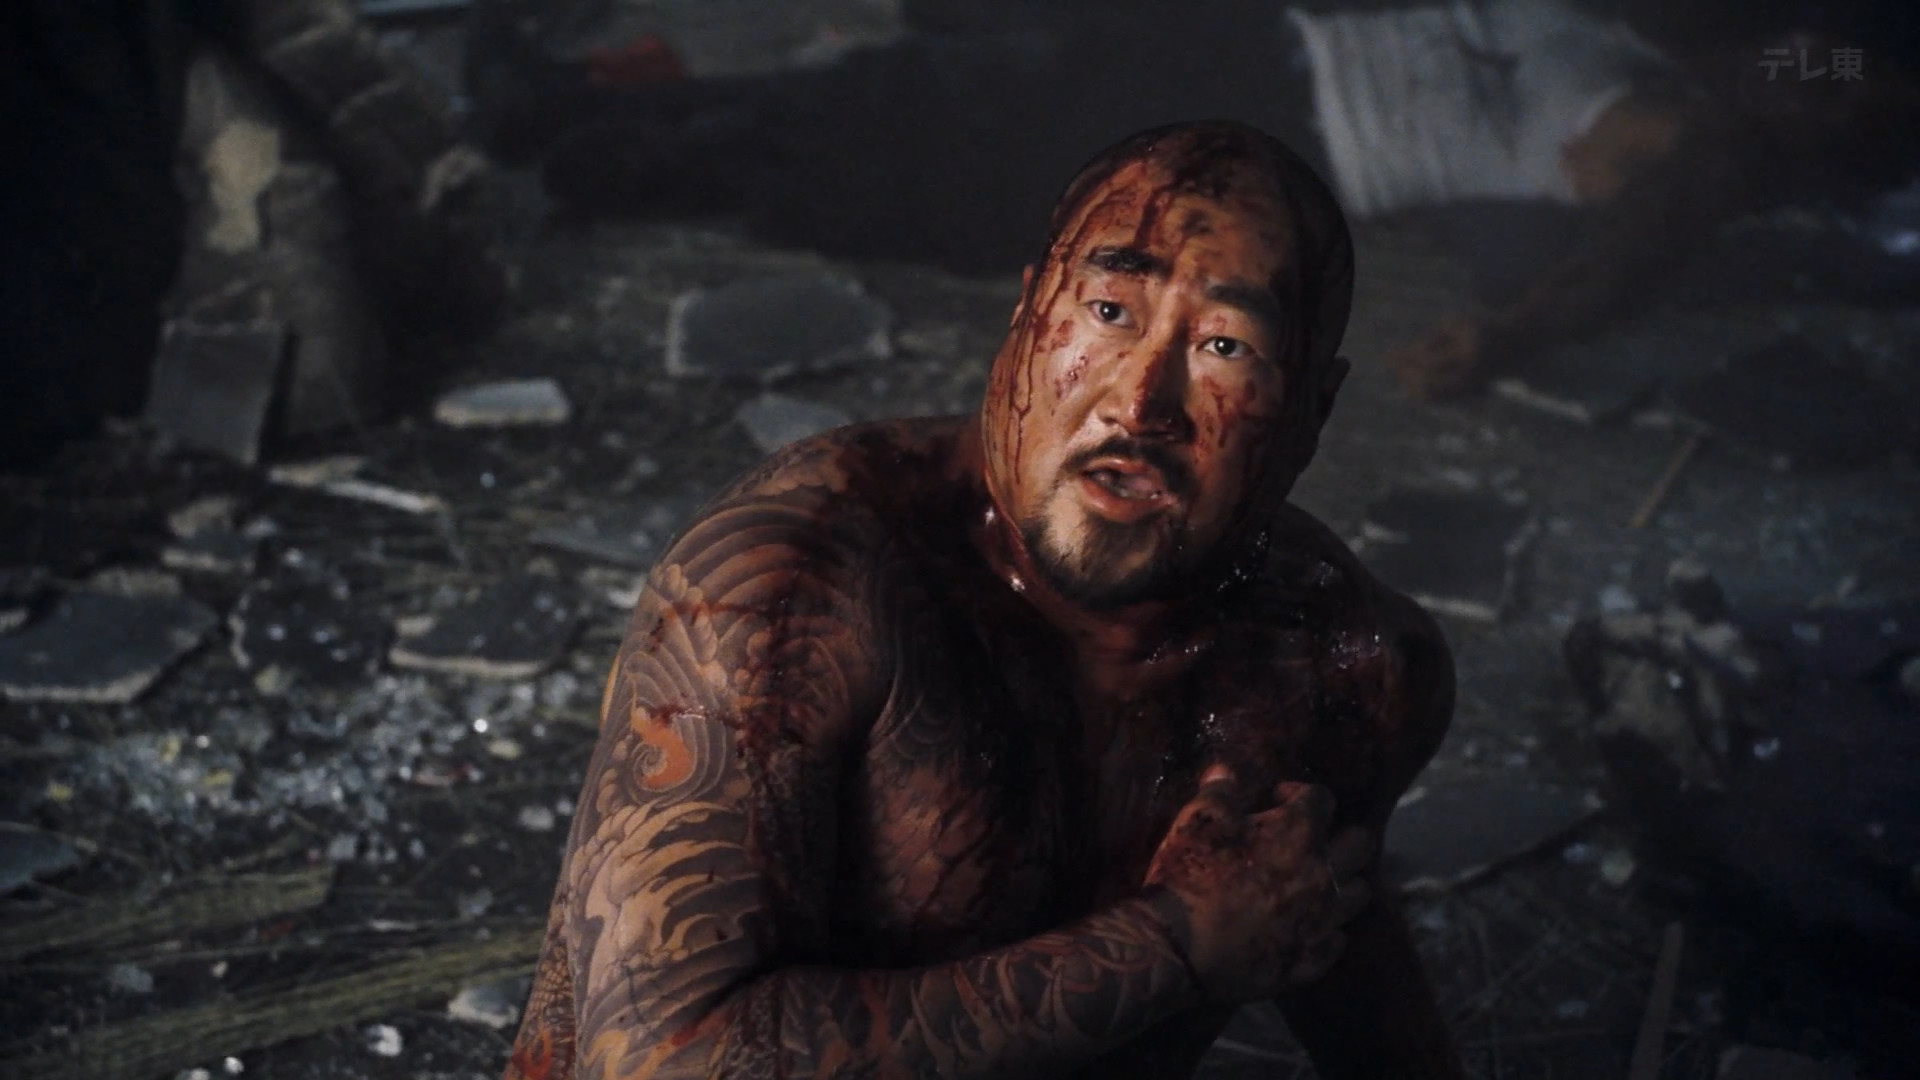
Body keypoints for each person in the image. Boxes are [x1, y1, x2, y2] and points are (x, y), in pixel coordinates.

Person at [504, 120, 1463, 1080]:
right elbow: (657, 1063)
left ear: (1312, 410)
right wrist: (1173, 945)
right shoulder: (788, 589)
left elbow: (1314, 920)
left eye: (1225, 344)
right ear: (1028, 314)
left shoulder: (1345, 664)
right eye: (1109, 311)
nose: (1139, 404)